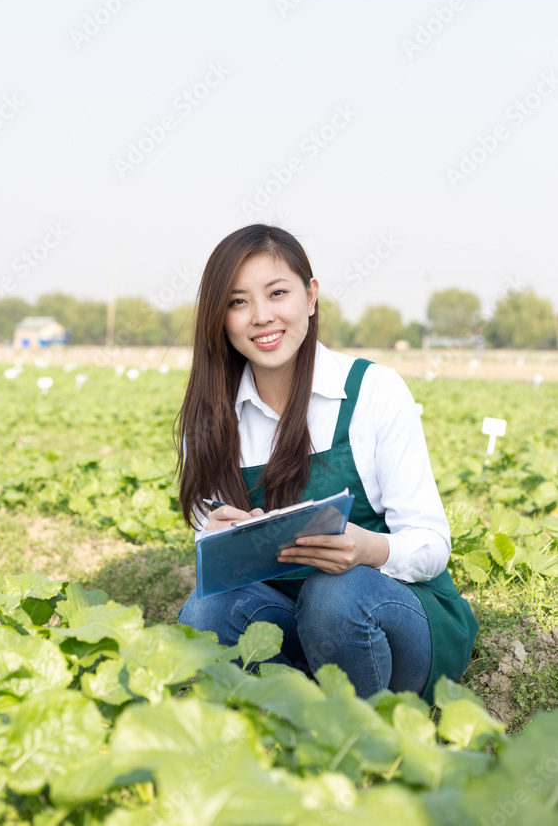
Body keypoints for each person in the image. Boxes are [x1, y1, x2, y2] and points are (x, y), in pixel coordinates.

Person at [175, 224, 478, 702]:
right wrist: (215, 532)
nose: (260, 316)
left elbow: (431, 544)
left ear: (310, 297)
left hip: (383, 614)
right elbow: (204, 526)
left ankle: (359, 729)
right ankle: (291, 713)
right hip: (285, 623)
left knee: (331, 596)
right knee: (204, 613)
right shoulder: (210, 416)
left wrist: (368, 550)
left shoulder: (373, 391)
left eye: (277, 293)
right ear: (220, 317)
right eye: (238, 302)